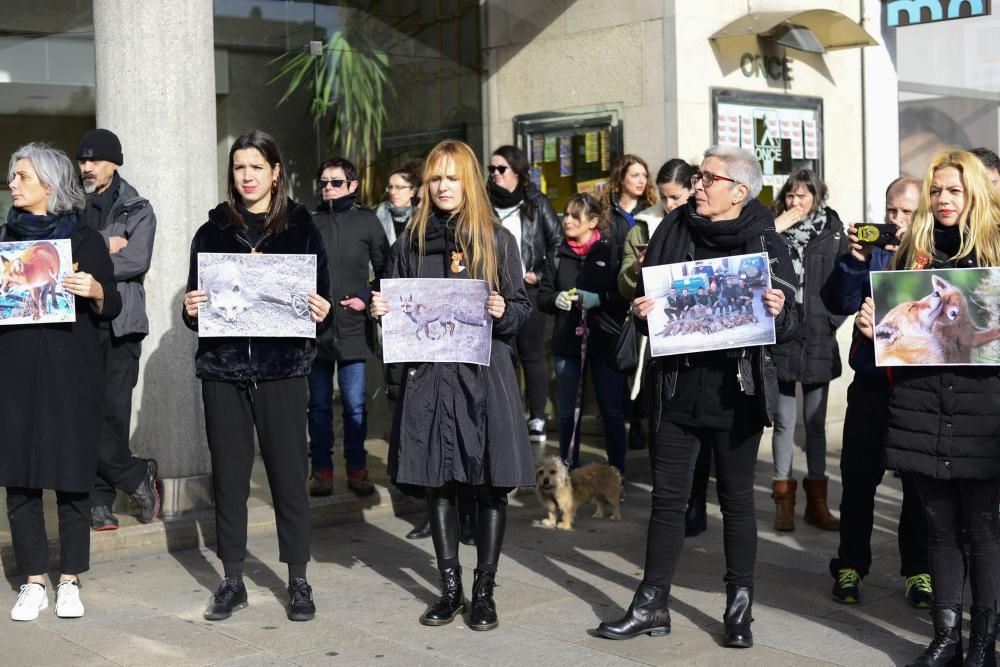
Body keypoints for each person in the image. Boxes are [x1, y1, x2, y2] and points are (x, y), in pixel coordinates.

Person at [595, 145, 797, 648]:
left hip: (737, 392)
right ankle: (651, 604)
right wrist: (642, 310)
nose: (698, 185)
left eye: (709, 178)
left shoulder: (765, 239)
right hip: (677, 389)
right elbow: (647, 296)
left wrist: (780, 307)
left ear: (739, 191)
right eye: (699, 176)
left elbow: (796, 322)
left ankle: (739, 608)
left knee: (736, 504)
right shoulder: (674, 228)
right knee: (667, 502)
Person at [369, 139, 533, 631]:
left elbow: (523, 308)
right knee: (437, 483)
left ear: (469, 182)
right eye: (435, 178)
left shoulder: (496, 240)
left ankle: (484, 590)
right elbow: (397, 320)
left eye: (452, 177)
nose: (443, 186)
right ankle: (450, 589)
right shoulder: (408, 246)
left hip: (483, 379)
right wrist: (383, 313)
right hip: (429, 380)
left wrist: (505, 311)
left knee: (487, 486)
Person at [857, 149, 1000, 667]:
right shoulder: (910, 255)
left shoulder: (996, 251)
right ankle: (945, 638)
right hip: (921, 407)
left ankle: (983, 641)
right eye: (937, 190)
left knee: (983, 531)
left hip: (984, 411)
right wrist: (870, 325)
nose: (944, 199)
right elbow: (888, 331)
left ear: (975, 196)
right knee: (938, 528)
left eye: (955, 190)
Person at [182, 130, 332, 623]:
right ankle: (232, 579)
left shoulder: (302, 227)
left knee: (289, 476)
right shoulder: (211, 232)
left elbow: (322, 301)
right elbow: (194, 306)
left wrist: (320, 308)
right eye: (238, 167)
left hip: (281, 369)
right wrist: (190, 307)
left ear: (274, 172)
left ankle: (298, 578)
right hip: (223, 369)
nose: (246, 176)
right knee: (230, 479)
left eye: (255, 167)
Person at [2, 143, 121, 621]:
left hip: (74, 372)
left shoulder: (87, 240)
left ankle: (69, 578)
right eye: (12, 176)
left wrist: (94, 290)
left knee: (73, 477)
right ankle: (33, 581)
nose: (12, 183)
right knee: (20, 477)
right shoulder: (4, 241)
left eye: (21, 177)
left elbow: (111, 305)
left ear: (48, 185)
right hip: (16, 372)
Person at [820, 176, 931, 609]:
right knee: (858, 479)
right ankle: (850, 564)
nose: (897, 221)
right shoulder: (872, 253)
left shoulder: (936, 253)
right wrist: (854, 260)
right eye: (891, 212)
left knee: (918, 487)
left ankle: (918, 569)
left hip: (915, 388)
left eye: (907, 212)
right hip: (869, 384)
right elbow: (837, 301)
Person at [75, 128, 160, 532]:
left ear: (114, 163)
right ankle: (135, 475)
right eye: (82, 160)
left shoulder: (138, 208)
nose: (87, 167)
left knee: (113, 413)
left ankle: (101, 502)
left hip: (121, 325)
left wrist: (86, 253)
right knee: (82, 414)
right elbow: (58, 253)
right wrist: (106, 243)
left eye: (94, 160)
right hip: (77, 322)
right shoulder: (68, 204)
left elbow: (137, 260)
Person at [769, 169, 848, 532]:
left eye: (803, 195)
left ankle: (817, 502)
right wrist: (776, 229)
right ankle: (783, 500)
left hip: (818, 335)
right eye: (790, 195)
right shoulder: (771, 230)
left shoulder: (834, 232)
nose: (796, 202)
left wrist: (831, 319)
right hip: (783, 335)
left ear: (818, 197)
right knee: (784, 422)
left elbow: (849, 280)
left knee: (815, 424)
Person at [307, 156, 390, 498]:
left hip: (355, 329)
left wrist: (364, 296)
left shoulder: (368, 223)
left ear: (353, 186)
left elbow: (387, 272)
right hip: (316, 330)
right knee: (319, 406)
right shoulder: (308, 222)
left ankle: (357, 469)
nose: (329, 188)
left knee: (355, 405)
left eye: (336, 182)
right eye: (324, 182)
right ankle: (321, 472)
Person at [538, 193, 629, 474]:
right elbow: (542, 296)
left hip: (603, 342)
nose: (567, 221)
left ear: (592, 222)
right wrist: (556, 300)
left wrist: (599, 299)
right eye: (565, 215)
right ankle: (569, 471)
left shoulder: (610, 252)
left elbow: (624, 296)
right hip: (567, 342)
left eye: (575, 216)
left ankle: (616, 473)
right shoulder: (556, 253)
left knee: (611, 413)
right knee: (568, 414)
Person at [488, 145, 562, 442]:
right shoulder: (482, 202)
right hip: (493, 292)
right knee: (501, 354)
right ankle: (509, 414)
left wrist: (542, 275)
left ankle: (538, 418)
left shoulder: (536, 202)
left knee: (531, 354)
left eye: (501, 169)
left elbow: (557, 242)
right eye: (491, 169)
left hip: (527, 289)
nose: (494, 174)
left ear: (517, 172)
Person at [602, 154, 658, 253]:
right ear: (621, 178)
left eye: (645, 176)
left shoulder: (651, 210)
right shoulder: (606, 208)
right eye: (635, 175)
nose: (642, 181)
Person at [375, 160, 421, 246]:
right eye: (390, 187)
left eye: (399, 187)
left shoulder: (421, 217)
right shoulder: (378, 214)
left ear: (413, 191)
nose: (392, 192)